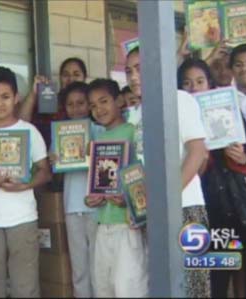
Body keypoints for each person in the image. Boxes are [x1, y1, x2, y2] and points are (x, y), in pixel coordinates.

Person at [178, 58, 246, 298]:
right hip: (216, 211)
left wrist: (243, 156)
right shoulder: (179, 117)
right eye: (187, 83)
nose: (194, 88)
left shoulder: (226, 106)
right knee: (220, 271)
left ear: (210, 83)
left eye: (200, 81)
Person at [126, 47, 211, 298]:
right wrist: (140, 207)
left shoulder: (179, 99)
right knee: (163, 286)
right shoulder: (137, 112)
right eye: (129, 70)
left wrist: (165, 198)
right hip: (153, 213)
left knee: (193, 287)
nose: (133, 77)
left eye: (139, 69)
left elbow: (197, 151)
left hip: (185, 208)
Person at [0, 66, 51, 298]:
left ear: (16, 98)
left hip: (23, 217)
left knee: (25, 286)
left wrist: (24, 185)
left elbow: (45, 172)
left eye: (5, 97)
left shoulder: (29, 131)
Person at [85, 78, 148, 298]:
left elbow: (143, 179)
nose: (98, 109)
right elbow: (97, 183)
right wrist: (91, 199)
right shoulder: (98, 139)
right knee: (103, 287)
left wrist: (129, 200)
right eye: (92, 105)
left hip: (127, 226)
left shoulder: (134, 132)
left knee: (129, 287)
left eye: (103, 101)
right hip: (103, 223)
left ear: (119, 100)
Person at [49, 81, 102, 297]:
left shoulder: (99, 129)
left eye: (81, 103)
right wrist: (54, 159)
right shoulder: (60, 133)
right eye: (70, 104)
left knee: (99, 265)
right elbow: (55, 168)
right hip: (72, 206)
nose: (76, 108)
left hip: (98, 206)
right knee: (79, 267)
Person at [19, 57, 88, 122]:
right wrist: (33, 93)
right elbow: (22, 122)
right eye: (66, 75)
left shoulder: (91, 98)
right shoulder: (50, 99)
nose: (71, 79)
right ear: (60, 78)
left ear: (84, 77)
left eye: (76, 75)